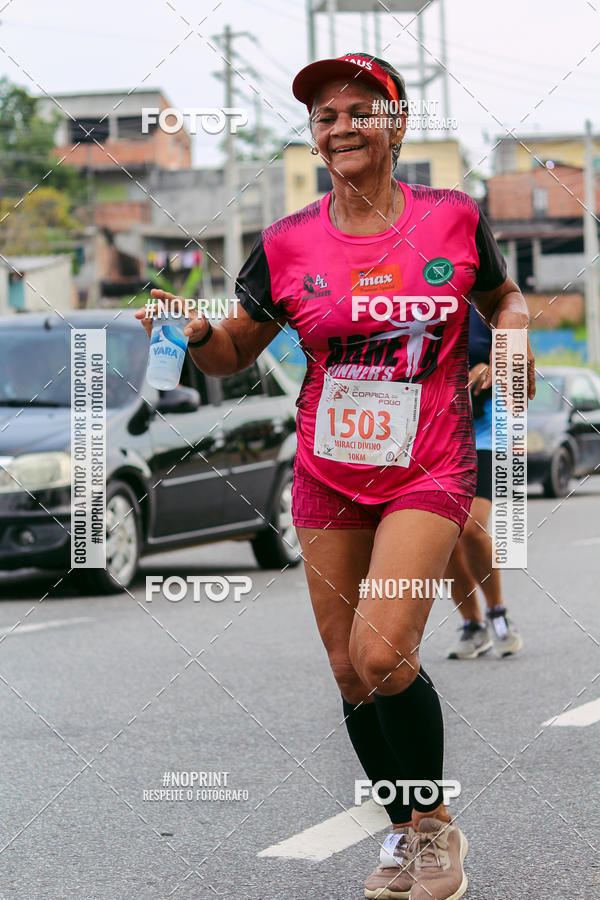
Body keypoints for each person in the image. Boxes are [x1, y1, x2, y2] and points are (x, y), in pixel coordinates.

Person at [136, 53, 536, 900]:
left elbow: (503, 299)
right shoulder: (286, 242)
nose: (340, 125)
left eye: (360, 109)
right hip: (326, 475)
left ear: (395, 124)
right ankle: (400, 834)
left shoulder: (455, 219)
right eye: (324, 116)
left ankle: (435, 830)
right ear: (313, 138)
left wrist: (514, 337)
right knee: (349, 671)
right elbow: (233, 352)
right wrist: (195, 330)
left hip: (427, 464)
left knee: (384, 652)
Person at [445, 306, 523, 660]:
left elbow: (518, 365)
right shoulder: (413, 298)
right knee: (441, 534)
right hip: (433, 431)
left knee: (471, 528)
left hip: (486, 431)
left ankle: (496, 611)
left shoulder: (486, 299)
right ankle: (472, 624)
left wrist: (494, 368)